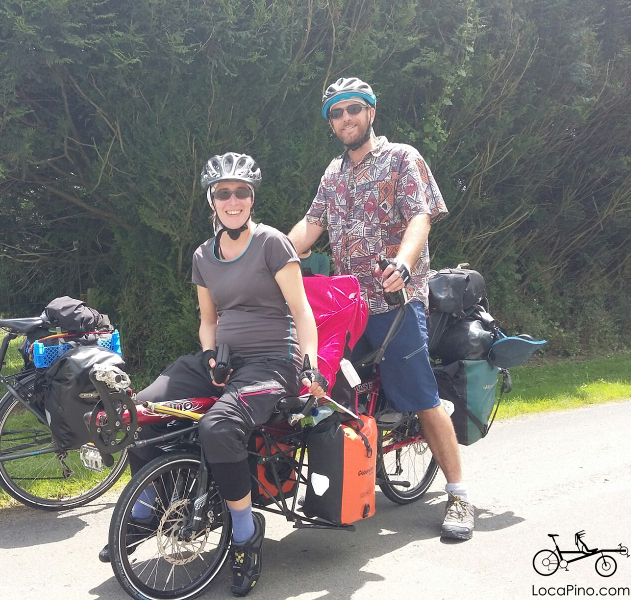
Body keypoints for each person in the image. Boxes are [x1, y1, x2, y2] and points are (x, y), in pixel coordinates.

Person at [99, 152, 328, 596]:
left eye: (241, 192)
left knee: (218, 427)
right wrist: (208, 356)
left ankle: (244, 534)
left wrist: (310, 361)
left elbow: (301, 312)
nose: (233, 199)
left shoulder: (272, 243)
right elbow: (208, 318)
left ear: (251, 199)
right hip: (222, 358)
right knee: (140, 410)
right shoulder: (203, 254)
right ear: (212, 201)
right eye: (224, 193)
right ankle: (146, 509)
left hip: (271, 364)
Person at [288, 77, 474, 540]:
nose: (345, 118)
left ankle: (459, 496)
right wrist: (265, 258)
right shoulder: (333, 175)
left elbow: (420, 217)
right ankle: (342, 480)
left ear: (371, 111)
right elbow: (309, 229)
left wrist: (405, 264)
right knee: (323, 388)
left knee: (419, 395)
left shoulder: (401, 158)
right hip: (349, 305)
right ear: (330, 123)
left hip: (395, 301)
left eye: (353, 108)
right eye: (336, 112)